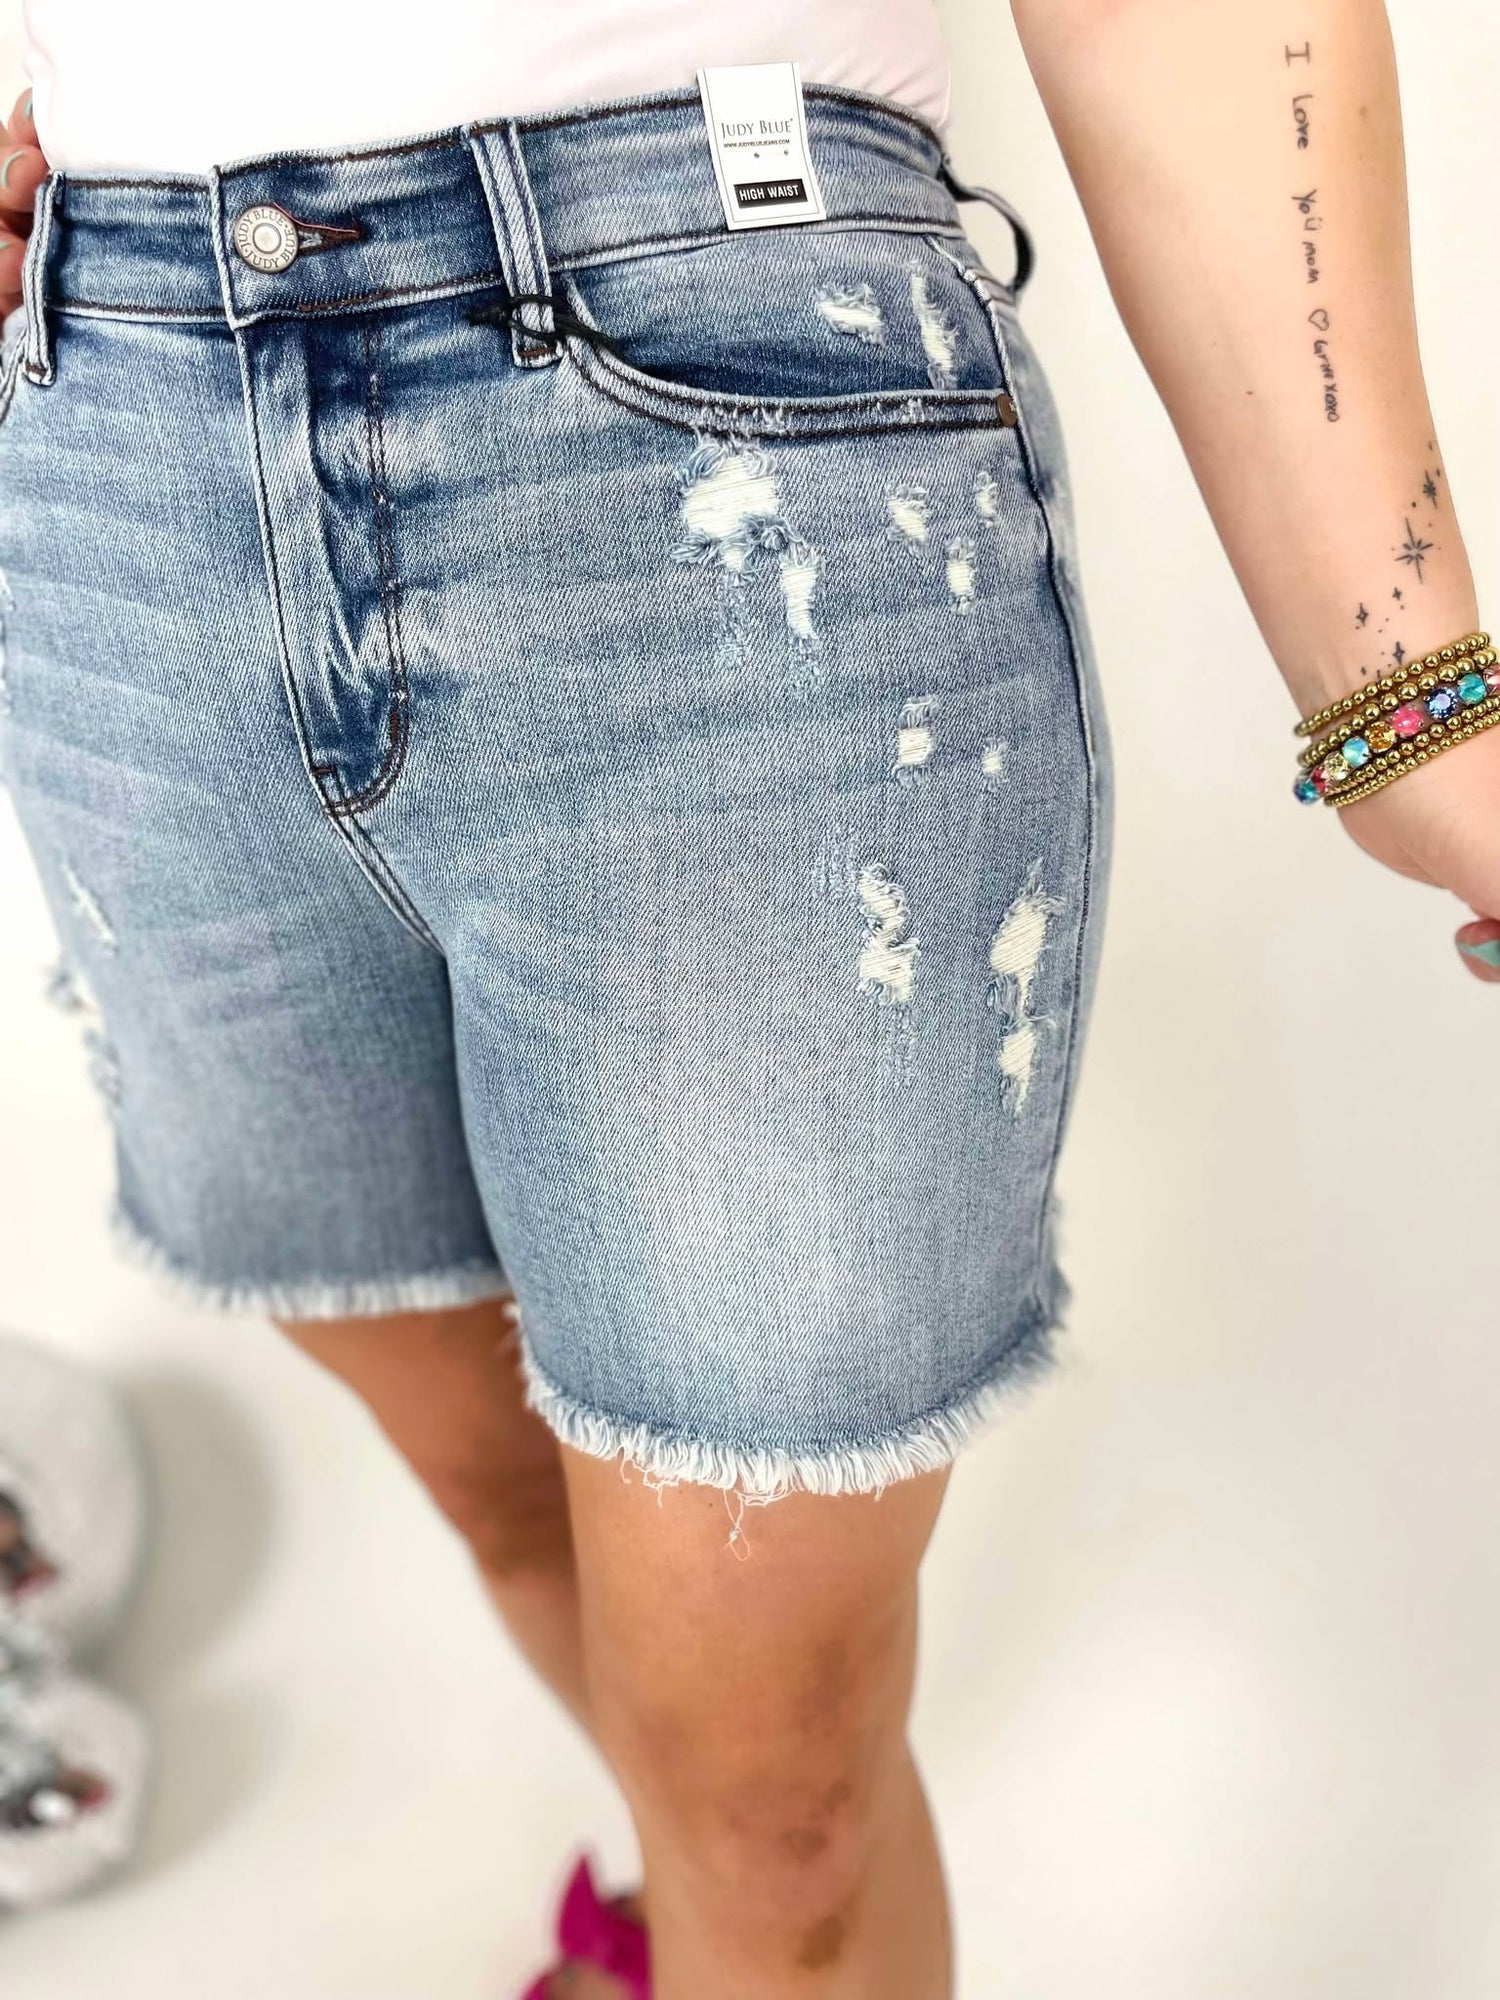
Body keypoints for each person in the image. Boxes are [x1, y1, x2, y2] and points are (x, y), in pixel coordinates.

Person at [0, 3, 1493, 1994]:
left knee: (777, 1782)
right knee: (497, 1483)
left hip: (724, 417)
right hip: (116, 439)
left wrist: (1413, 698)